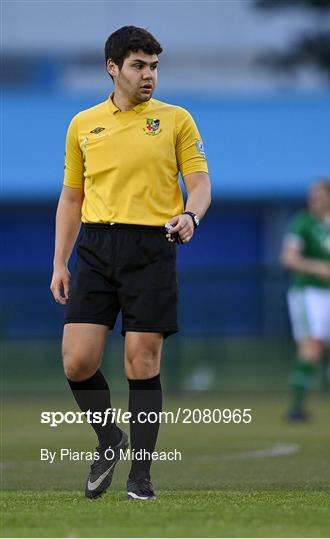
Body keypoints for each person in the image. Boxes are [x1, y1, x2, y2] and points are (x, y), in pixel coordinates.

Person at [50, 25, 211, 500]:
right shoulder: (83, 124)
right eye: (139, 66)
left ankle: (141, 475)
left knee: (141, 362)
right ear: (113, 68)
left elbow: (200, 185)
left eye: (154, 67)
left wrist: (191, 216)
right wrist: (60, 262)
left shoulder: (177, 119)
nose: (149, 76)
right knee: (77, 362)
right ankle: (109, 440)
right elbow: (72, 197)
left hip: (152, 247)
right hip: (97, 249)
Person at [280, 179, 330, 422]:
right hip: (308, 292)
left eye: (321, 195)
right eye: (313, 195)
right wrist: (315, 266)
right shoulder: (302, 223)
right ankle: (296, 408)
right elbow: (288, 259)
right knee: (312, 346)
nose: (316, 199)